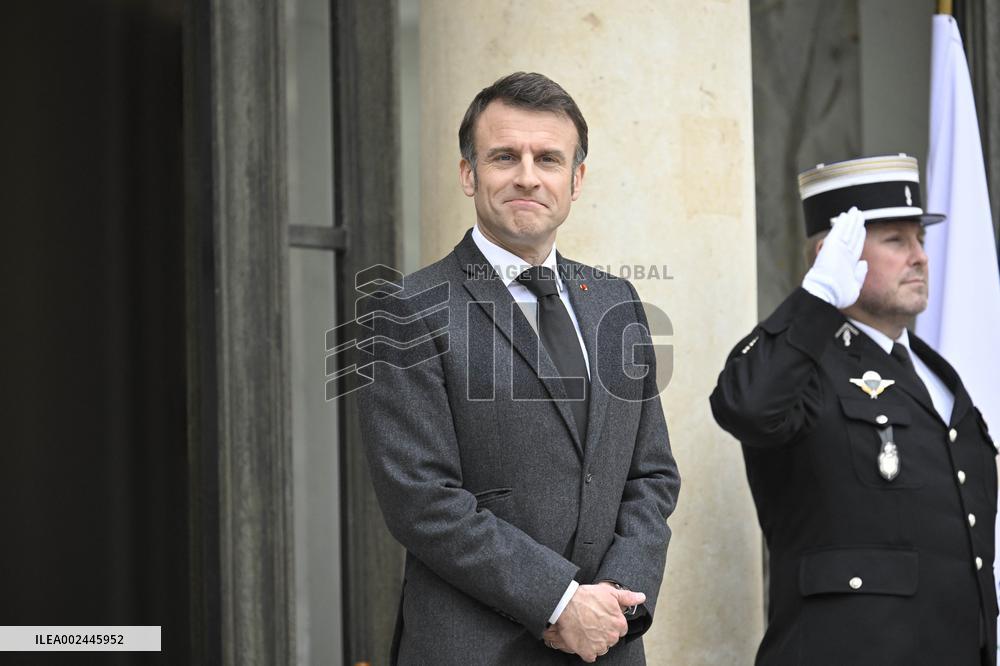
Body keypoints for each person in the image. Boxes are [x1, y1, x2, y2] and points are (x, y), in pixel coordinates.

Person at [358, 72, 680, 664]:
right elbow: (422, 499)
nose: (527, 176)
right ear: (468, 173)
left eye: (548, 158)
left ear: (576, 179)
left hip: (608, 646)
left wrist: (617, 605)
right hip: (475, 648)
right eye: (505, 156)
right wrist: (559, 603)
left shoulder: (617, 302)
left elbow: (651, 475)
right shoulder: (407, 309)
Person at [710, 154, 998, 665]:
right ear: (832, 254)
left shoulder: (934, 372)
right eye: (896, 240)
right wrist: (816, 297)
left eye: (921, 240)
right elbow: (747, 407)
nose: (920, 257)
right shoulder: (805, 364)